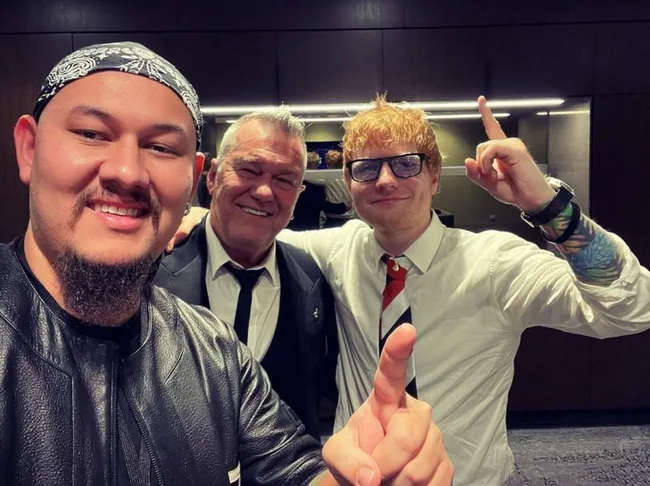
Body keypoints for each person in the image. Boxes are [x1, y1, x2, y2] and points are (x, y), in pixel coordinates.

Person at [1, 43, 454, 486]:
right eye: (91, 134)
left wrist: (366, 475)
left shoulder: (215, 352)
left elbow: (291, 467)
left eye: (161, 147)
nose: (127, 171)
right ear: (29, 148)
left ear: (191, 176)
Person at [175, 96, 650, 485]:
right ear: (350, 184)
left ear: (435, 175)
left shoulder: (496, 263)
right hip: (354, 477)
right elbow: (252, 232)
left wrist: (548, 206)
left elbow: (631, 309)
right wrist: (195, 217)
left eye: (406, 164)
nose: (385, 180)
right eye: (366, 168)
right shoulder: (333, 252)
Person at [154, 110, 338, 439]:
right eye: (249, 170)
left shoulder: (312, 277)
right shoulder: (151, 271)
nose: (264, 192)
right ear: (212, 177)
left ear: (298, 196)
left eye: (285, 180)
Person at [323, 149, 355, 228]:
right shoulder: (349, 177)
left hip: (332, 218)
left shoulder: (326, 178)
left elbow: (312, 179)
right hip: (349, 218)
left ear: (327, 164)